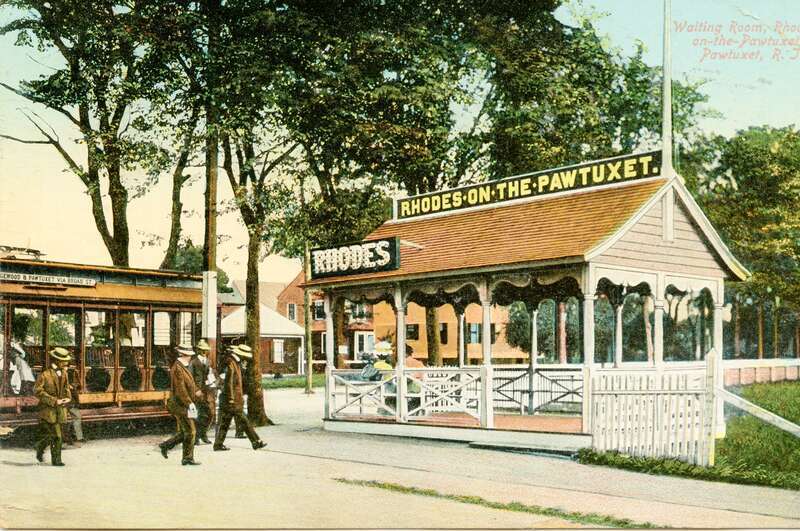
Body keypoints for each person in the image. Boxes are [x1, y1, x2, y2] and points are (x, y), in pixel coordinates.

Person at [213, 345, 266, 452]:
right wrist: (231, 398)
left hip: (229, 399)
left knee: (225, 422)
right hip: (231, 400)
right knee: (244, 420)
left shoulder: (234, 362)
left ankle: (218, 444)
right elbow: (228, 383)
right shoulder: (230, 363)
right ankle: (256, 441)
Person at [158, 344, 203, 465]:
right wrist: (189, 403)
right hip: (180, 405)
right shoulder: (178, 368)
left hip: (182, 404)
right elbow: (180, 389)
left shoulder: (182, 367)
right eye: (189, 355)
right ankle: (187, 458)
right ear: (183, 355)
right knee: (191, 431)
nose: (190, 358)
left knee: (186, 431)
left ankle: (166, 446)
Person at [33, 347, 73, 466]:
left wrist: (68, 398)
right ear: (57, 361)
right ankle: (56, 461)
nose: (66, 362)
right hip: (47, 410)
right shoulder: (45, 375)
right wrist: (54, 401)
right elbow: (37, 391)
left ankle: (39, 448)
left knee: (50, 436)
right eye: (64, 360)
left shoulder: (64, 373)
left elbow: (66, 388)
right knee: (57, 436)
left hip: (60, 410)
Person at [192, 339, 218, 445]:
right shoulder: (193, 362)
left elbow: (210, 375)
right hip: (197, 392)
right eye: (202, 350)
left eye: (205, 350)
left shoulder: (208, 361)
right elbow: (190, 378)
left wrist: (213, 383)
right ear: (198, 350)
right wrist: (195, 390)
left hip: (207, 391)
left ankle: (203, 433)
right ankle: (196, 437)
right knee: (197, 414)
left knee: (210, 414)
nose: (204, 352)